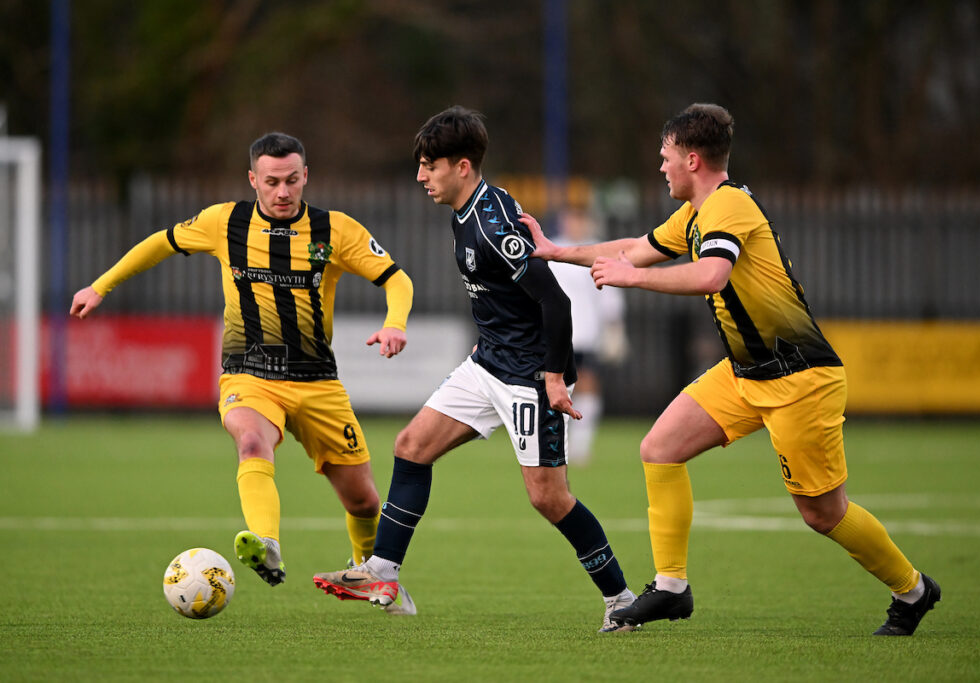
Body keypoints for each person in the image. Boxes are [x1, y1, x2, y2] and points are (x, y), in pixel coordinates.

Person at [520, 103, 941, 636]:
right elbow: (634, 249)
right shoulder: (697, 212)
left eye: (665, 156)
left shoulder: (729, 206)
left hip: (799, 378)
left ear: (692, 159)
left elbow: (713, 275)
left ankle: (914, 590)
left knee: (824, 514)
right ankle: (672, 587)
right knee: (659, 448)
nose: (661, 166)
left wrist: (632, 280)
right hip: (746, 372)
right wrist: (555, 251)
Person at [311, 106, 636, 632]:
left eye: (430, 166)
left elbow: (556, 303)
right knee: (410, 447)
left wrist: (554, 376)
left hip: (529, 375)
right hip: (487, 363)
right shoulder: (466, 211)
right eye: (420, 165)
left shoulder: (492, 225)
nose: (421, 176)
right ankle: (383, 574)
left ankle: (620, 600)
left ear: (462, 166)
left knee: (548, 497)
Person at [70, 132, 418, 615]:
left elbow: (397, 278)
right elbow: (161, 243)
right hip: (248, 375)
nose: (282, 192)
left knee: (362, 501)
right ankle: (266, 541)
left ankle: (376, 578)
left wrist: (394, 324)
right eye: (272, 181)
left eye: (292, 180)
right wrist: (101, 286)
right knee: (252, 442)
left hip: (317, 382)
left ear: (305, 177)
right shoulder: (223, 221)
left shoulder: (334, 230)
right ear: (252, 179)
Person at [548, 208, 627, 465]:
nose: (575, 223)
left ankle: (581, 446)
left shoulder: (596, 251)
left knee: (588, 385)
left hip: (585, 333)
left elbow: (609, 292)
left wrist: (615, 328)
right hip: (554, 333)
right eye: (572, 217)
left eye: (580, 218)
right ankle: (553, 444)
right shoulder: (552, 250)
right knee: (550, 387)